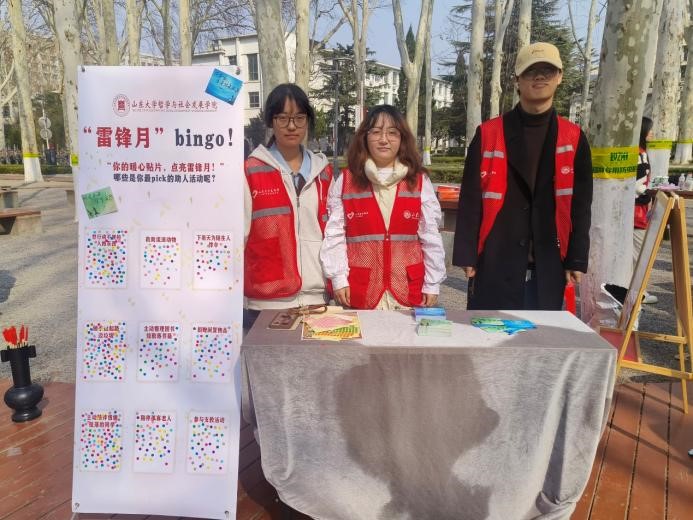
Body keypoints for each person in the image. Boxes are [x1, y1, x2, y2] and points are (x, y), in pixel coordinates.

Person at [452, 42, 593, 310]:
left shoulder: (573, 137)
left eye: (547, 71)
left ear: (559, 77)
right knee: (489, 330)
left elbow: (581, 205)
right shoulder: (489, 133)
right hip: (495, 257)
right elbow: (470, 198)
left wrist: (577, 257)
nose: (539, 77)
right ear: (517, 79)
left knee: (544, 333)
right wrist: (466, 253)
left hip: (549, 259)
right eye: (530, 71)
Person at [320, 104, 446, 309]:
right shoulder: (347, 180)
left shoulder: (418, 181)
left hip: (407, 288)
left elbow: (430, 235)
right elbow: (334, 234)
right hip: (362, 289)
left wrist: (432, 283)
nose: (384, 139)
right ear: (365, 137)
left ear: (402, 138)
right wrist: (338, 278)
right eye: (376, 132)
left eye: (392, 133)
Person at [243, 84, 333, 329]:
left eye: (299, 118)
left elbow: (335, 235)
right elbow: (239, 238)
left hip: (317, 300)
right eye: (282, 118)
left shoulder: (324, 173)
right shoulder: (251, 171)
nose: (291, 126)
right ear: (271, 122)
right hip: (265, 302)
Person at [634, 116, 658, 304]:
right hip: (637, 214)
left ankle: (637, 291)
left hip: (637, 212)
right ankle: (638, 292)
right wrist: (650, 193)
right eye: (650, 129)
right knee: (639, 256)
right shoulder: (639, 154)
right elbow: (637, 186)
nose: (652, 133)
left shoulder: (640, 152)